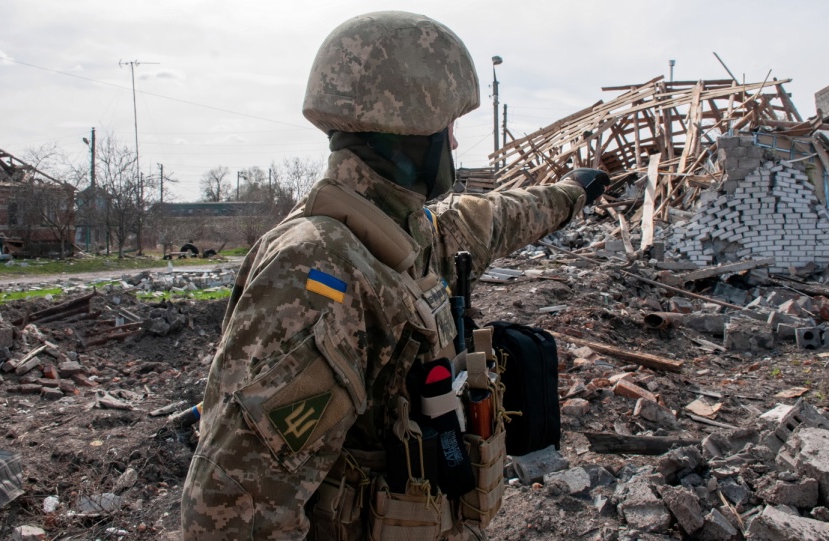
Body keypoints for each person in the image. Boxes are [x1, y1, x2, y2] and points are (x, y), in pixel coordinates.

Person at [180, 11, 608, 541]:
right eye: (449, 128)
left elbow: (498, 218)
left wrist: (573, 193)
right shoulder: (318, 268)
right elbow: (233, 508)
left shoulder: (408, 232)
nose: (454, 145)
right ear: (411, 128)